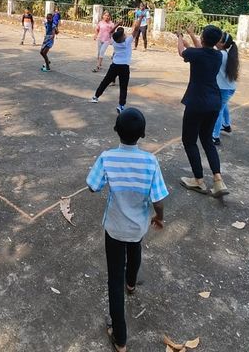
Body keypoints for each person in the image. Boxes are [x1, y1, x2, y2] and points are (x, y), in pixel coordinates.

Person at [86, 108, 167, 352]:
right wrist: (159, 217)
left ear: (116, 130)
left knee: (114, 279)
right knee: (135, 249)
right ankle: (131, 283)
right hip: (138, 224)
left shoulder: (107, 157)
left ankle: (120, 338)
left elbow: (93, 186)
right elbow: (159, 198)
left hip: (114, 226)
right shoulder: (150, 161)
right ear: (142, 134)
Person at [177, 25, 227, 197]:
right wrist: (190, 35)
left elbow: (182, 52)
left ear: (203, 38)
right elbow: (201, 51)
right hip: (214, 100)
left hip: (197, 101)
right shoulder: (218, 55)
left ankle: (198, 180)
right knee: (206, 139)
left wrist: (179, 38)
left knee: (189, 140)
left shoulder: (196, 54)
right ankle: (218, 179)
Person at [91, 23, 136, 113]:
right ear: (122, 37)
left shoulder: (114, 42)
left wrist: (117, 24)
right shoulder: (127, 42)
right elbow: (136, 29)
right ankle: (121, 106)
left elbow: (111, 32)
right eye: (123, 34)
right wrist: (141, 18)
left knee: (105, 81)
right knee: (123, 87)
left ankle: (95, 97)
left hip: (114, 66)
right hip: (124, 67)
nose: (125, 35)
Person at [212, 31, 239, 146]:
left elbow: (201, 50)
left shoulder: (219, 55)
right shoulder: (227, 54)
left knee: (218, 111)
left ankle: (215, 136)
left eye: (218, 39)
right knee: (223, 106)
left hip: (223, 89)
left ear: (222, 43)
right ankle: (226, 124)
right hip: (229, 88)